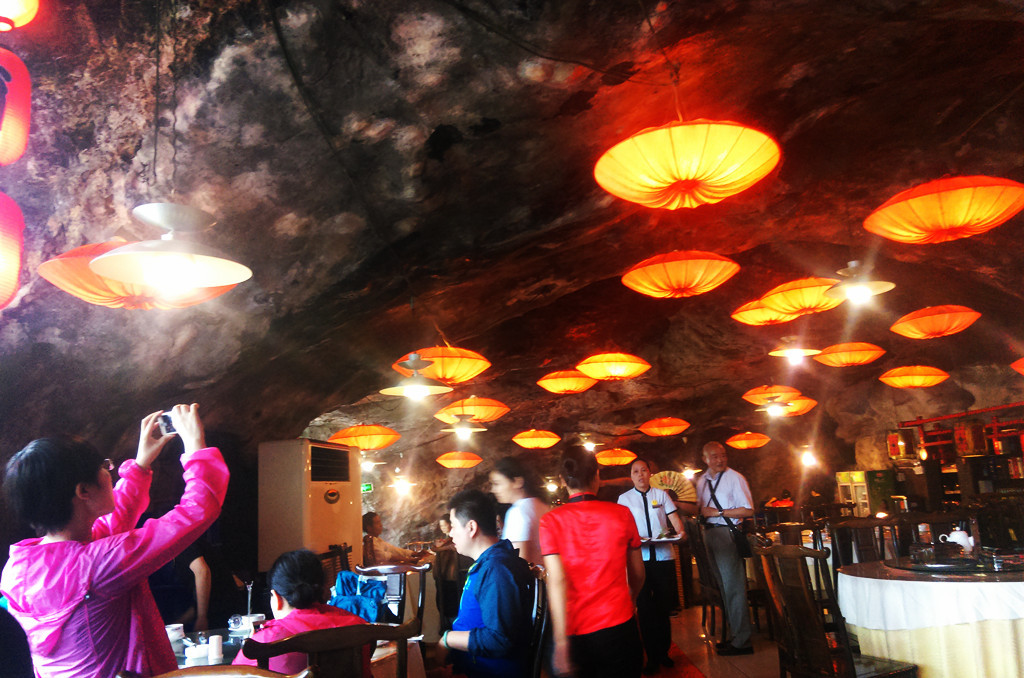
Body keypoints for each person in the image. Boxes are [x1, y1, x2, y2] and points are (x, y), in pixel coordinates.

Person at [0, 404, 229, 678]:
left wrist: (140, 465)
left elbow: (110, 526)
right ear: (83, 491)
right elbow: (197, 510)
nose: (110, 471)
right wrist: (195, 446)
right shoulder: (96, 565)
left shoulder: (20, 567)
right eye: (104, 466)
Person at [540, 445, 646, 678]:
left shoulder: (550, 521)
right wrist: (630, 599)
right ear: (597, 475)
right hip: (619, 625)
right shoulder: (622, 514)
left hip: (574, 633)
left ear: (562, 480)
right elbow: (638, 573)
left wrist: (560, 642)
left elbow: (557, 581)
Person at [437, 489, 533, 678]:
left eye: (454, 526)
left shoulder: (497, 570)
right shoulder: (491, 563)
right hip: (472, 666)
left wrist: (448, 639)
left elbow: (499, 639)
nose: (451, 533)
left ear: (471, 527)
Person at [233, 549, 371, 676]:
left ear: (276, 597)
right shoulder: (358, 625)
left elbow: (235, 673)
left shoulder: (265, 641)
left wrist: (255, 639)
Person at [617, 458, 685, 674]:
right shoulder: (624, 499)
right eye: (635, 471)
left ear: (650, 473)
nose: (640, 474)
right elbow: (621, 528)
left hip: (664, 557)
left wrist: (680, 533)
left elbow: (675, 521)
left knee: (663, 609)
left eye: (643, 470)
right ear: (631, 476)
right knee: (645, 609)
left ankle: (664, 652)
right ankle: (652, 656)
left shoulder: (661, 495)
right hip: (640, 560)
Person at [695, 441, 754, 656]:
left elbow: (748, 510)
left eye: (723, 455)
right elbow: (700, 508)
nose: (720, 460)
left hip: (727, 534)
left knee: (734, 588)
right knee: (723, 587)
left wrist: (719, 513)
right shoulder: (701, 481)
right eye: (714, 456)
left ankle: (743, 642)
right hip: (709, 534)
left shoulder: (735, 478)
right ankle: (734, 636)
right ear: (705, 459)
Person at [489, 456, 549, 564]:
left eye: (497, 483)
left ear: (518, 482)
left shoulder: (517, 512)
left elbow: (520, 562)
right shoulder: (542, 506)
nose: (493, 490)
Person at [362, 511, 427, 565]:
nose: (380, 525)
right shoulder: (369, 542)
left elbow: (394, 550)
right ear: (369, 528)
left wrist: (414, 554)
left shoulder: (378, 540)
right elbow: (386, 557)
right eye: (377, 523)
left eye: (380, 522)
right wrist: (408, 560)